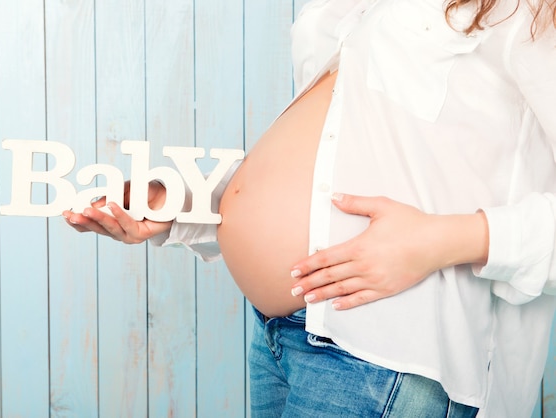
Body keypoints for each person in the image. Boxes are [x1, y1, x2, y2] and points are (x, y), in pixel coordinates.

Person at [64, 0, 556, 416]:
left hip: (382, 352)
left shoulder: (524, 12)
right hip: (280, 338)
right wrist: (177, 203)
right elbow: (337, 168)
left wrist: (439, 240)